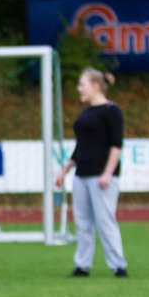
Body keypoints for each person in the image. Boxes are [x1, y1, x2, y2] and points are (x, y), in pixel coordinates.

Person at [55, 68, 128, 278]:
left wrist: (107, 173)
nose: (79, 89)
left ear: (96, 86)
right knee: (82, 222)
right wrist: (65, 169)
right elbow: (82, 146)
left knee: (105, 221)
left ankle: (118, 266)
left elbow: (116, 145)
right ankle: (82, 265)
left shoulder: (112, 111)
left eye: (82, 84)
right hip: (82, 175)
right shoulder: (86, 112)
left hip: (101, 177)